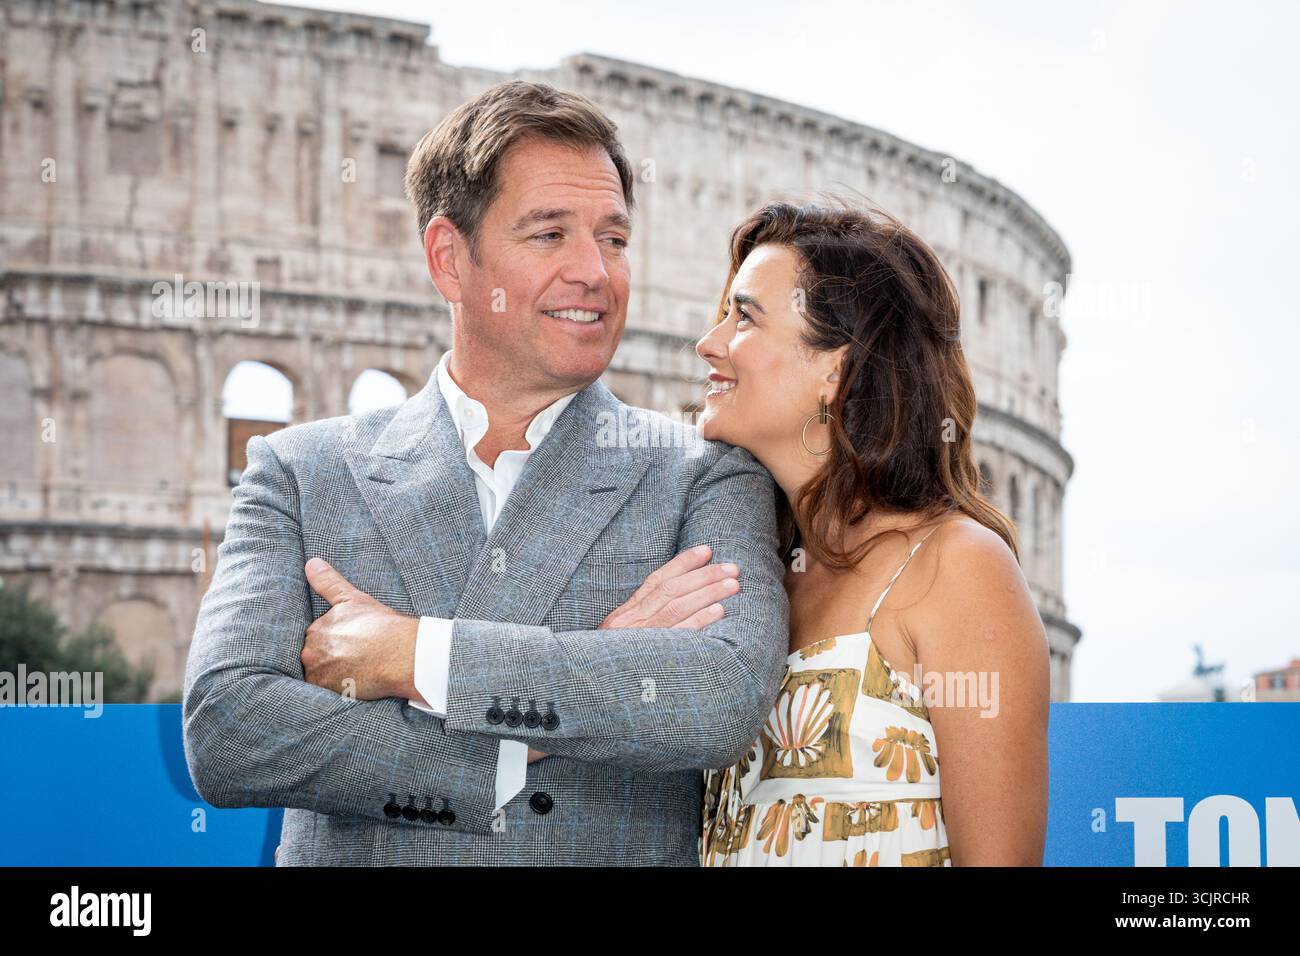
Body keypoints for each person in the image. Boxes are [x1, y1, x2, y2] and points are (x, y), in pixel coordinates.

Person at [181, 80, 789, 866]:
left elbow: (718, 699)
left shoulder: (705, 472)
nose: (596, 273)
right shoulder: (301, 471)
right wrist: (544, 717)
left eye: (613, 238)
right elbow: (230, 731)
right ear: (449, 258)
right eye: (549, 236)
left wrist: (412, 656)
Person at [692, 201, 1050, 866]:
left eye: (744, 317)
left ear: (837, 369)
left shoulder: (959, 568)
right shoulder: (754, 572)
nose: (707, 343)